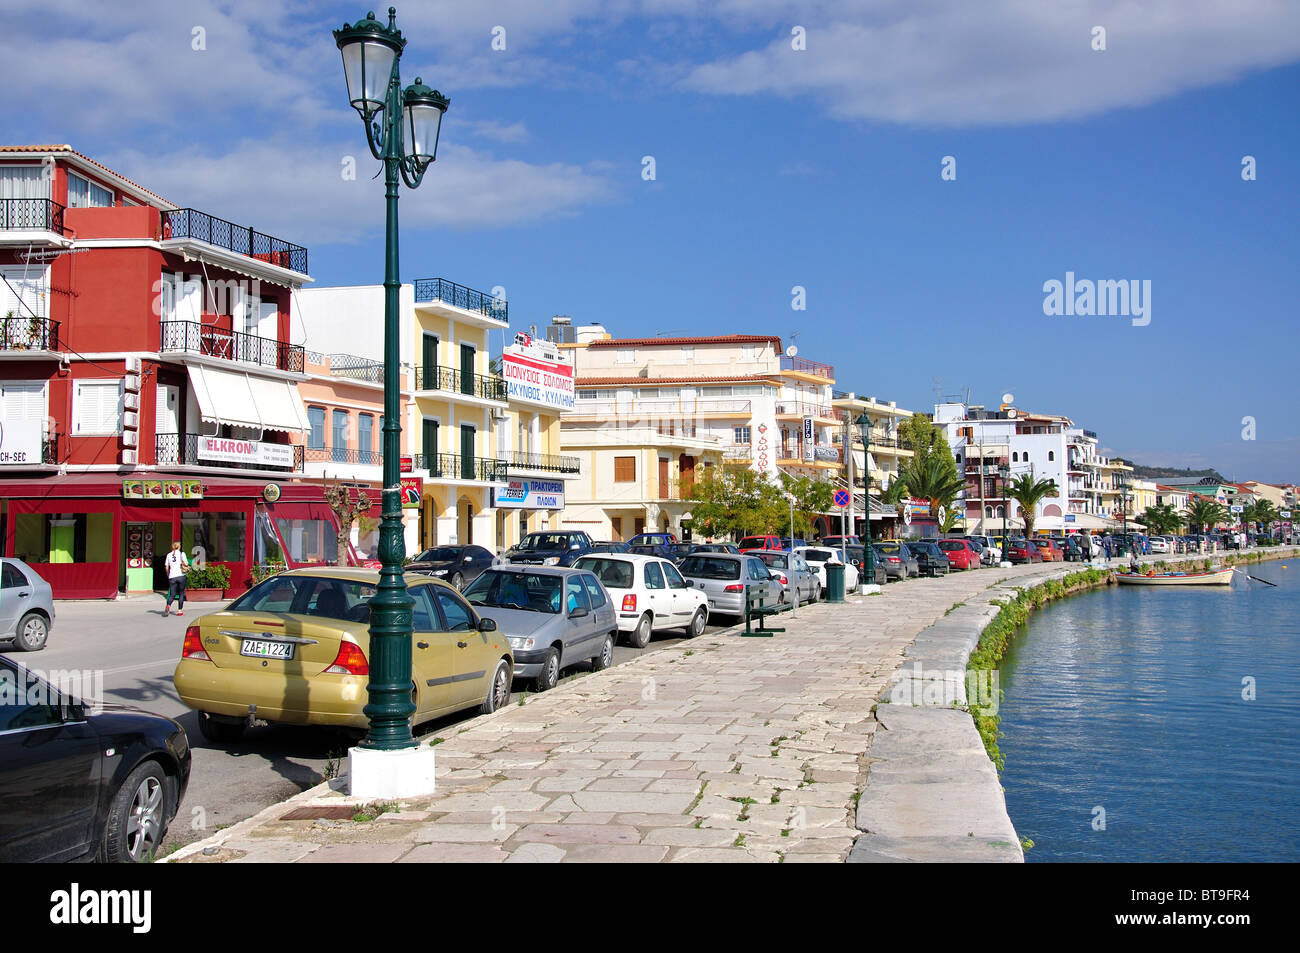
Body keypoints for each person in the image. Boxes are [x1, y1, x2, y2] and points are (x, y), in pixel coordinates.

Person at [163, 541, 190, 617]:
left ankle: (168, 605)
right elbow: (186, 564)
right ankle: (179, 611)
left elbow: (166, 566)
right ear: (179, 547)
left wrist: (168, 574)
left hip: (172, 576)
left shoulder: (168, 555)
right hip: (181, 575)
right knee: (181, 593)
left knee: (172, 594)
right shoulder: (182, 554)